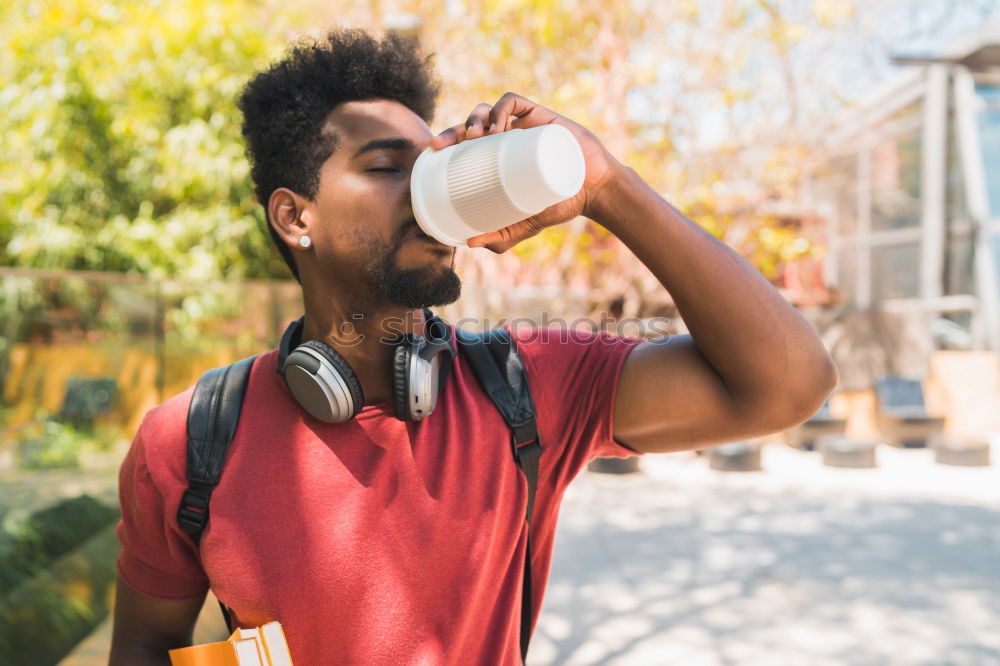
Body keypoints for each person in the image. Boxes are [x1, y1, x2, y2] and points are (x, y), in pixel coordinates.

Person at [108, 28, 837, 666]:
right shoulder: (190, 440)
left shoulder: (528, 385)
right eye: (391, 167)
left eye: (436, 166)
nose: (430, 195)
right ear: (295, 216)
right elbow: (143, 646)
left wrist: (606, 185)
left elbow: (789, 384)